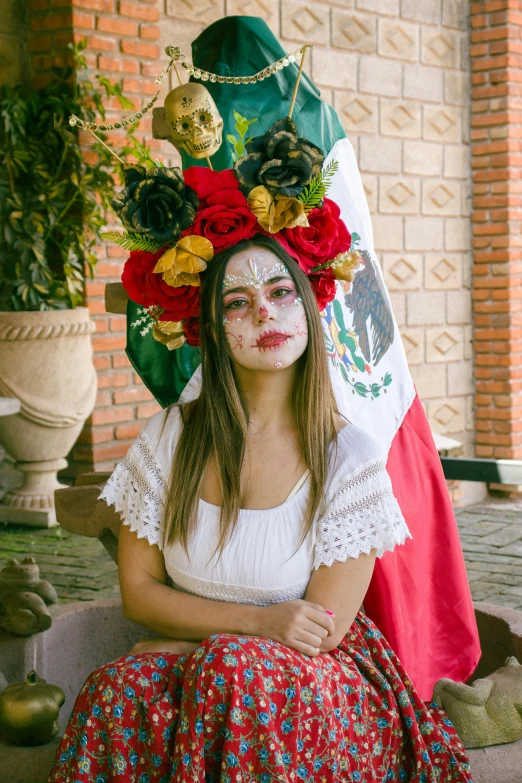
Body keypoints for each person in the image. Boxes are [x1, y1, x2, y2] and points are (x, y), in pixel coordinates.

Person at [49, 236, 473, 783]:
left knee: (232, 670)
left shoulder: (347, 455)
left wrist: (191, 643)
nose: (263, 311)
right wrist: (252, 624)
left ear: (306, 304)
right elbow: (140, 593)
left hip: (316, 680)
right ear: (214, 327)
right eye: (237, 302)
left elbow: (321, 631)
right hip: (222, 661)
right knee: (115, 689)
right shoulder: (170, 439)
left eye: (279, 292)